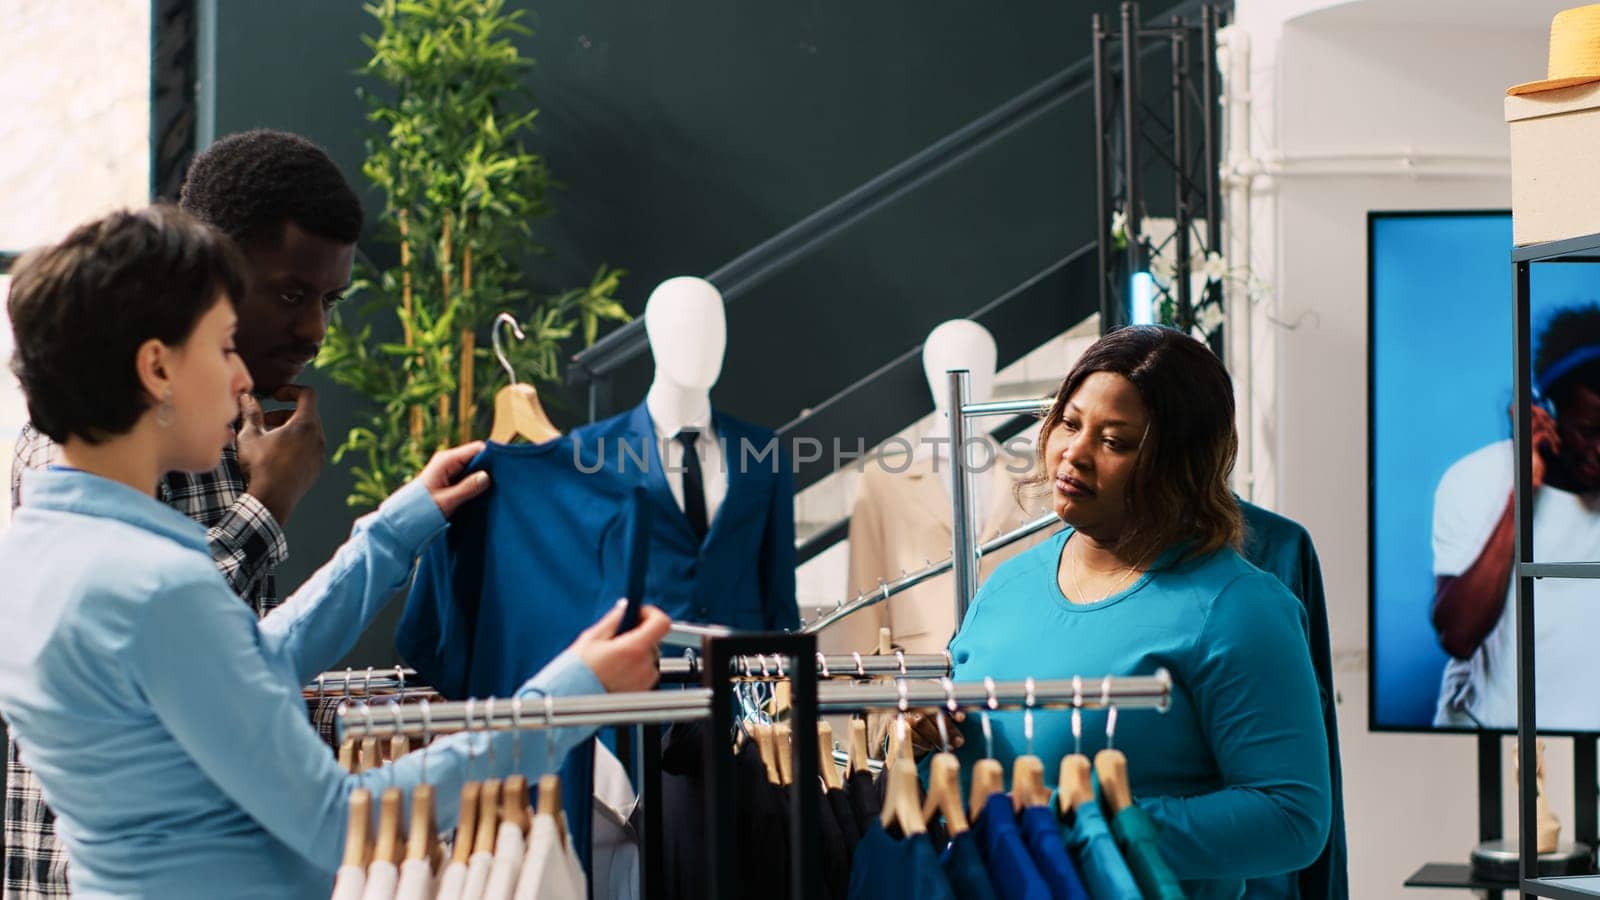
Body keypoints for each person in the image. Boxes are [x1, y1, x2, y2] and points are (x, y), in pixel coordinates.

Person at [0, 206, 672, 897]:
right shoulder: (155, 586)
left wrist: (392, 533)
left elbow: (243, 668)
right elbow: (334, 820)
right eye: (225, 346)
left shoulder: (41, 549)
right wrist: (566, 700)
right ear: (157, 367)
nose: (241, 379)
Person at [4, 128, 354, 897]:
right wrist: (268, 505)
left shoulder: (230, 431)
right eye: (292, 294)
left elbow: (236, 666)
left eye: (330, 301)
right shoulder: (71, 443)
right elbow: (166, 634)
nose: (316, 331)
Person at [945, 326, 1331, 900]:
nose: (1073, 453)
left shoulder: (1237, 609)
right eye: (1070, 423)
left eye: (1115, 441)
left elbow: (1292, 817)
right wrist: (926, 738)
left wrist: (1093, 829)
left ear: (1179, 466)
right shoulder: (1008, 585)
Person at [1431, 304, 1600, 729]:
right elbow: (1459, 634)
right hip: (1491, 738)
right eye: (1589, 431)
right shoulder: (1476, 478)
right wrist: (1525, 488)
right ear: (1546, 413)